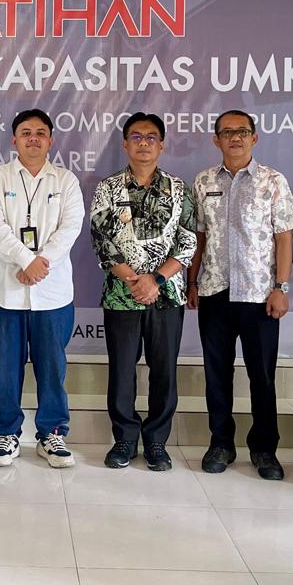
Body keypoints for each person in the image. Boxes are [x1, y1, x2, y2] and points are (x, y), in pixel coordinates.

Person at [188, 110, 293, 481]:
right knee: (216, 374)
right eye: (226, 132)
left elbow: (284, 237)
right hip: (215, 291)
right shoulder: (203, 181)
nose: (234, 138)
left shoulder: (273, 181)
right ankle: (221, 443)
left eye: (242, 131)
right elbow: (199, 237)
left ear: (254, 138)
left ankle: (264, 449)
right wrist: (192, 282)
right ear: (215, 140)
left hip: (259, 295)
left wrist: (281, 287)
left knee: (262, 376)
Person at [0, 109, 84, 469]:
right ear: (14, 140)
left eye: (40, 132)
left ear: (50, 140)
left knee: (52, 368)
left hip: (52, 294)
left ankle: (52, 433)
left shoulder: (65, 181)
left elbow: (70, 228)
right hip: (5, 292)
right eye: (26, 132)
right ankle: (6, 434)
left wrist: (40, 263)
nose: (33, 138)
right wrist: (25, 260)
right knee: (5, 369)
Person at [89, 112, 195, 471]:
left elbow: (187, 241)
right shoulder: (108, 188)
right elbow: (101, 241)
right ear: (125, 144)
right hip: (121, 295)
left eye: (151, 137)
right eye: (136, 137)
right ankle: (124, 439)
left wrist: (156, 280)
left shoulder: (179, 189)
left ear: (161, 145)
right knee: (122, 371)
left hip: (167, 296)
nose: (144, 143)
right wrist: (135, 280)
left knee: (164, 371)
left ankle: (156, 442)